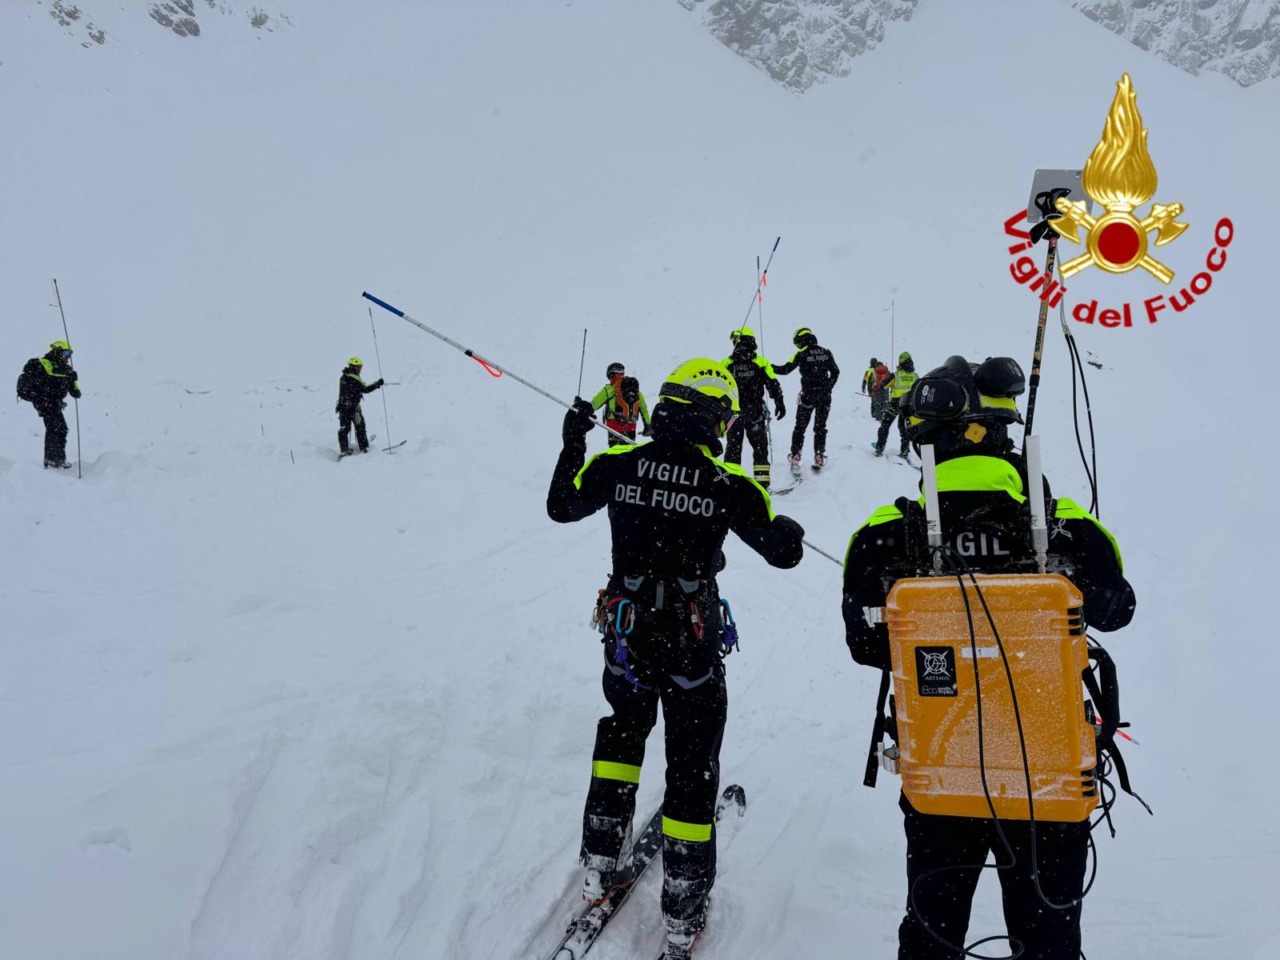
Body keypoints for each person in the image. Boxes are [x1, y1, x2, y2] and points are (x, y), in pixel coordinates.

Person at [842, 354, 1137, 960]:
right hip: (1048, 777)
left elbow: (865, 644)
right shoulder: (1064, 525)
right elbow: (1117, 608)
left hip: (941, 772)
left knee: (931, 930)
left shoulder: (881, 533)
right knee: (1048, 936)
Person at [547, 358, 804, 959]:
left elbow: (562, 506)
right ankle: (683, 912)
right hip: (689, 648)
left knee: (621, 738)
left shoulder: (617, 464)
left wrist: (571, 442)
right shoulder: (727, 484)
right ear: (712, 415)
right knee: (691, 770)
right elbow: (783, 552)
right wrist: (786, 529)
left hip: (628, 640)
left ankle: (600, 860)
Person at [722, 327, 785, 488]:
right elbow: (773, 384)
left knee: (733, 450)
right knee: (760, 449)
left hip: (733, 415)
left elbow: (718, 387)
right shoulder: (761, 362)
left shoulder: (727, 363)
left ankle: (730, 486)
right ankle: (762, 486)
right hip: (755, 413)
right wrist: (779, 402)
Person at [772, 326, 839, 469]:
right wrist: (828, 387)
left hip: (808, 395)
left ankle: (796, 455)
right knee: (820, 427)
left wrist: (768, 367)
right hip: (825, 396)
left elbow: (785, 370)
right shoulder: (826, 352)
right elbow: (836, 372)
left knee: (800, 427)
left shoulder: (801, 353)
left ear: (801, 340)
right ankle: (819, 455)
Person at [16, 339, 81, 469]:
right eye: (66, 353)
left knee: (60, 428)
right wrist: (45, 398)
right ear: (57, 351)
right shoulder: (43, 364)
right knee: (56, 427)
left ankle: (57, 459)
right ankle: (52, 460)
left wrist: (74, 384)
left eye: (70, 354)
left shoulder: (66, 370)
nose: (68, 357)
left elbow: (74, 392)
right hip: (44, 402)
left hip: (54, 403)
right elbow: (43, 385)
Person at [590, 362, 651, 444]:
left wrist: (580, 405)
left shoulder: (608, 390)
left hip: (614, 430)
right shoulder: (635, 391)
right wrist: (648, 426)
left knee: (615, 454)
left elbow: (593, 405)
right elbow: (644, 409)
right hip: (631, 429)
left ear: (611, 375)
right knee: (629, 453)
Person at [335, 356, 384, 457]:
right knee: (359, 427)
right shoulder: (353, 378)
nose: (359, 369)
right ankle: (364, 448)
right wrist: (377, 384)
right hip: (351, 409)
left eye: (360, 367)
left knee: (345, 428)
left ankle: (344, 450)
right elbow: (365, 389)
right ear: (352, 366)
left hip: (343, 408)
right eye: (357, 367)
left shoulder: (344, 376)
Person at [873, 351, 917, 458]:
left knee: (885, 425)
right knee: (904, 428)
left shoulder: (896, 375)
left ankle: (880, 448)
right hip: (908, 405)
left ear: (901, 362)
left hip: (895, 404)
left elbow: (884, 385)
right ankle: (905, 450)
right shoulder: (915, 376)